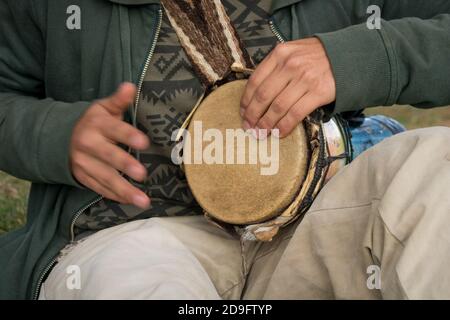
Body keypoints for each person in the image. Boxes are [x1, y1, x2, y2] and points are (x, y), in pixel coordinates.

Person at [0, 0, 449, 300]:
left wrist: (356, 58)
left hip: (318, 221)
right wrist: (53, 134)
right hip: (134, 238)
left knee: (438, 166)